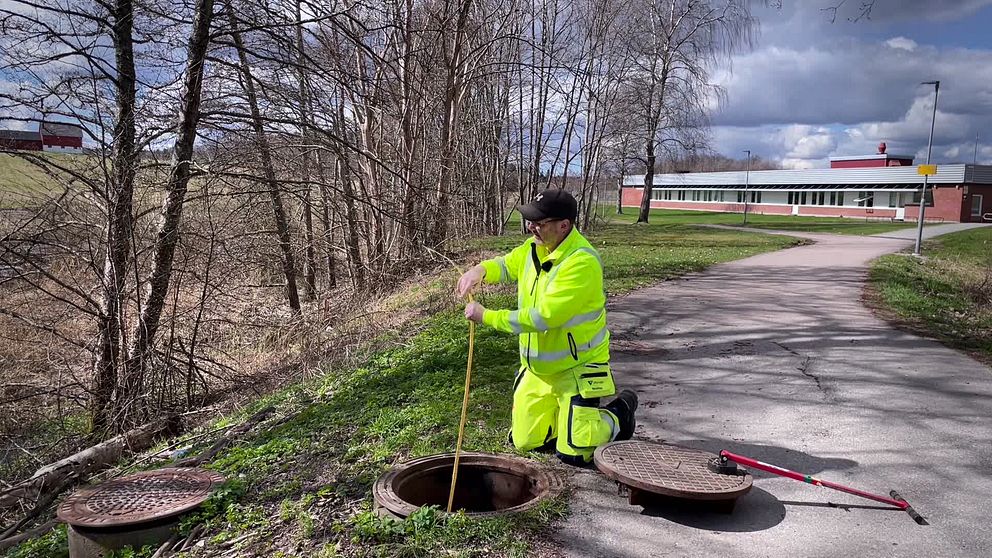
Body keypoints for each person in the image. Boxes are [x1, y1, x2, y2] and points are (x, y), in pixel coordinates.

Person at [456, 188, 637, 466]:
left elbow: (543, 318)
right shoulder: (534, 248)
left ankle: (618, 415)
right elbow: (506, 265)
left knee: (575, 454)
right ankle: (564, 418)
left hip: (576, 370)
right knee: (527, 442)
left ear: (564, 225)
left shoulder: (582, 262)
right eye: (530, 221)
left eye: (540, 223)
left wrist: (486, 316)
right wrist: (479, 270)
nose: (532, 227)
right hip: (537, 371)